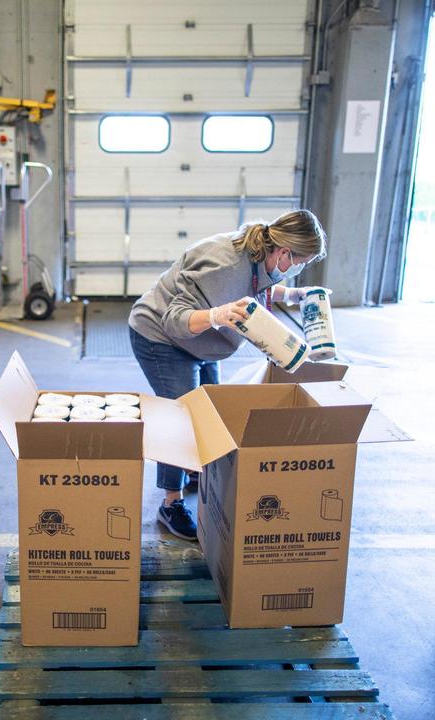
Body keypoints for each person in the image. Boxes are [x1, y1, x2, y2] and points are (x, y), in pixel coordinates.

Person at [128, 210, 329, 540]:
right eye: (301, 262)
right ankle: (170, 502)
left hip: (203, 341)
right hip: (161, 337)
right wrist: (217, 315)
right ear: (284, 253)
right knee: (181, 417)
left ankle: (191, 469)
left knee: (211, 407)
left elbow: (255, 288)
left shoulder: (261, 255)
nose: (299, 269)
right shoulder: (225, 264)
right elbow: (174, 320)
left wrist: (292, 295)